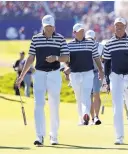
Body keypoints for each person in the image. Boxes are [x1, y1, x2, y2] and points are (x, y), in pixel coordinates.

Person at [16, 15, 70, 146]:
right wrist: (22, 75)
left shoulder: (60, 39)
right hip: (39, 74)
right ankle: (39, 136)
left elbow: (66, 57)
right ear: (43, 26)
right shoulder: (36, 38)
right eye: (46, 27)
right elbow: (30, 58)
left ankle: (54, 135)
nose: (48, 29)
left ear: (54, 26)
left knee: (54, 105)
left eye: (50, 27)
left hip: (54, 74)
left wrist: (56, 58)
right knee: (38, 105)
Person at [104, 17, 128, 144]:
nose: (118, 27)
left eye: (121, 25)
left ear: (125, 27)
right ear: (114, 27)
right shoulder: (109, 43)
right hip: (115, 77)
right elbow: (107, 64)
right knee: (117, 108)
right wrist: (108, 81)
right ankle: (119, 136)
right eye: (116, 25)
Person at [65, 23, 104, 126]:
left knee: (86, 94)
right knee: (79, 97)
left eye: (82, 31)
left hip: (88, 73)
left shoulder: (90, 44)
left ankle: (86, 115)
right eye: (79, 32)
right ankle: (81, 118)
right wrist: (66, 69)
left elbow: (96, 58)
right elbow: (66, 60)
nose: (81, 33)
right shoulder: (69, 45)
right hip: (75, 74)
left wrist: (100, 70)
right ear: (74, 33)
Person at [85, 30, 104, 125]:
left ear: (95, 39)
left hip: (97, 73)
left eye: (91, 39)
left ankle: (96, 116)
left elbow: (104, 60)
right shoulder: (84, 46)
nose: (90, 41)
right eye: (88, 39)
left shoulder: (100, 47)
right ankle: (92, 117)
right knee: (89, 96)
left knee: (96, 94)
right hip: (86, 73)